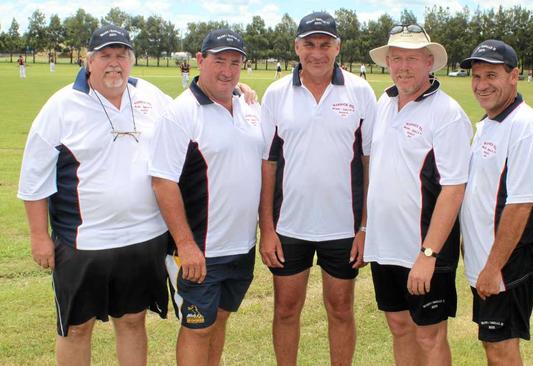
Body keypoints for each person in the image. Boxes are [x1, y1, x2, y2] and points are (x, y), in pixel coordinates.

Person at [17, 24, 171, 366]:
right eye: (105, 55)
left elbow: (189, 118)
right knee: (76, 328)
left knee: (132, 321)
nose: (114, 63)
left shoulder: (150, 95)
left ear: (131, 60)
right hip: (84, 242)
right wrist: (39, 236)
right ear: (89, 61)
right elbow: (33, 177)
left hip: (144, 238)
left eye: (121, 55)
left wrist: (240, 91)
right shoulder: (61, 106)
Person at [259, 11, 377, 366]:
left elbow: (370, 163)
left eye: (325, 44)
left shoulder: (359, 91)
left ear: (337, 48)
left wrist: (365, 228)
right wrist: (267, 227)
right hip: (290, 226)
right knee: (285, 310)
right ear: (297, 47)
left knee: (341, 310)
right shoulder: (277, 93)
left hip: (343, 227)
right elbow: (267, 164)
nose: (317, 52)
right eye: (309, 44)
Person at [149, 28, 262, 366]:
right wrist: (185, 244)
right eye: (218, 61)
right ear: (200, 60)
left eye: (235, 62)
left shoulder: (249, 107)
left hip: (241, 247)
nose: (227, 70)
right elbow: (163, 182)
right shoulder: (181, 113)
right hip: (198, 250)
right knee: (197, 328)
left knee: (219, 321)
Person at [364, 24, 473, 365]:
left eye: (412, 58)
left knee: (429, 334)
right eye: (396, 58)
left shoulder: (448, 114)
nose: (403, 66)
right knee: (398, 325)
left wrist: (429, 253)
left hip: (424, 249)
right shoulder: (384, 102)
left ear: (429, 62)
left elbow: (454, 189)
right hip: (385, 245)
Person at [458, 40, 533, 366]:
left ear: (514, 76)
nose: (482, 85)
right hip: (488, 259)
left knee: (501, 349)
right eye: (476, 76)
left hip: (507, 263)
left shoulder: (524, 126)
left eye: (491, 75)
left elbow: (521, 205)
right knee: (493, 344)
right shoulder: (489, 123)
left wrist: (492, 267)